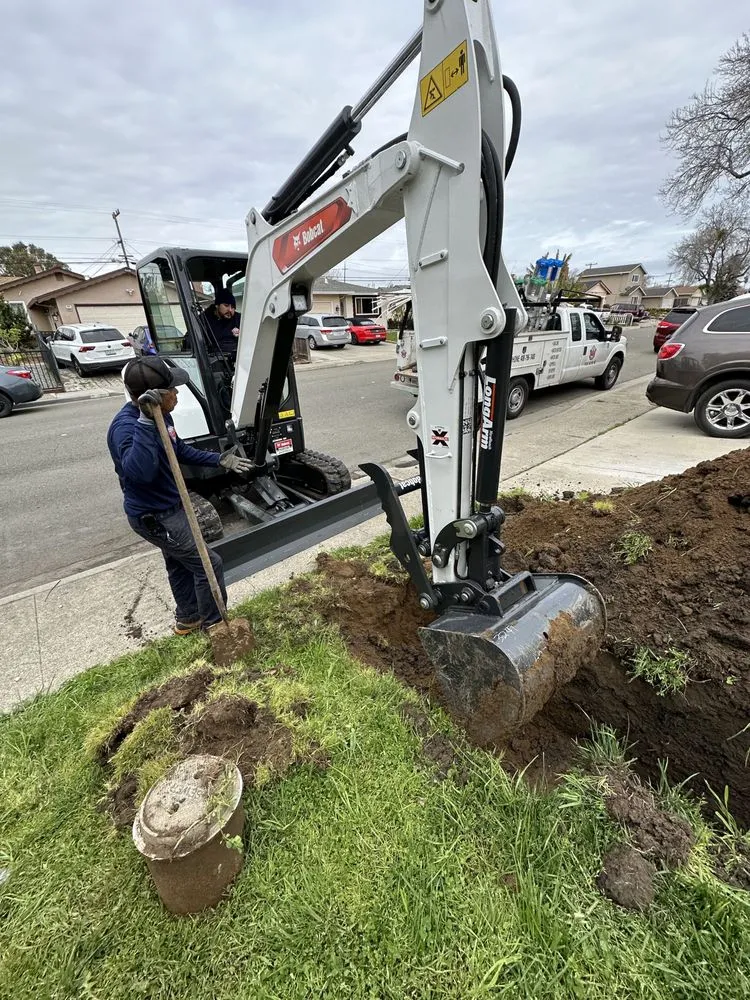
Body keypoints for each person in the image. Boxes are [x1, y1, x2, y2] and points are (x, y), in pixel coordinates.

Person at [107, 357, 253, 635]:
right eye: (172, 389)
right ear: (156, 396)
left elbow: (179, 451)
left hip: (171, 507)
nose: (178, 393)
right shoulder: (127, 427)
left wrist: (219, 460)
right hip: (154, 517)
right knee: (209, 563)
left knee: (179, 564)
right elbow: (140, 473)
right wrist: (147, 424)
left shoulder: (163, 415)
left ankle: (188, 619)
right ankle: (214, 624)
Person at [203, 288, 241, 358]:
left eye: (232, 307)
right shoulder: (203, 320)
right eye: (226, 305)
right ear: (217, 305)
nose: (230, 310)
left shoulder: (239, 319)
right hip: (214, 361)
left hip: (238, 360)